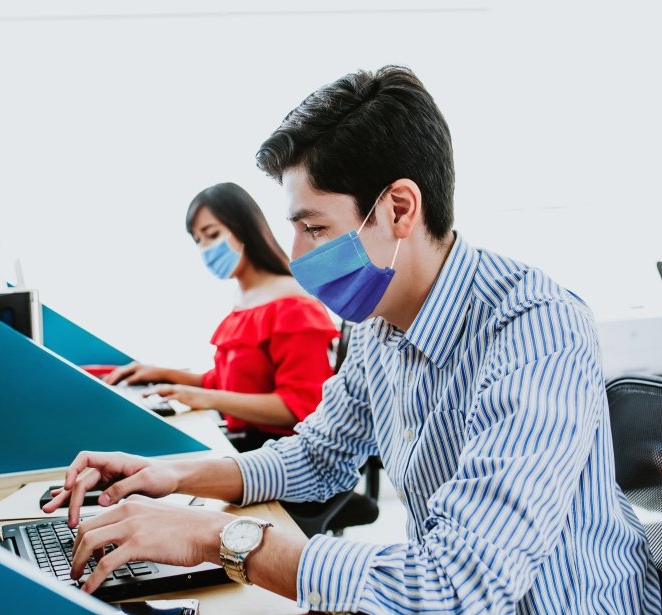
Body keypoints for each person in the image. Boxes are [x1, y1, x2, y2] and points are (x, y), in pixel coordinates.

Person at [45, 66, 661, 614]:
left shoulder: (534, 328)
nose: (295, 254)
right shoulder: (378, 323)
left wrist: (214, 537)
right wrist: (169, 476)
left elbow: (454, 587)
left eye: (315, 227)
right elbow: (317, 457)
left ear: (398, 208)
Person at [105, 182, 339, 451]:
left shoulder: (293, 304)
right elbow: (232, 383)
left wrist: (206, 398)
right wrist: (163, 374)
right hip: (248, 447)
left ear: (245, 229)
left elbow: (300, 405)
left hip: (284, 456)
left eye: (212, 234)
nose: (205, 249)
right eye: (198, 240)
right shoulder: (246, 299)